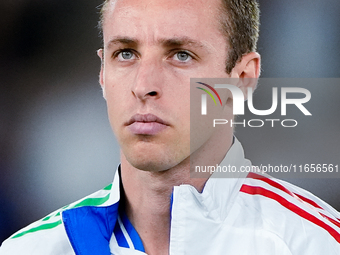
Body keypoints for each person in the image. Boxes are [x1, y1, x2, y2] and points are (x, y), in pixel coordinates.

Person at [1, 0, 340, 254]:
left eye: (180, 55)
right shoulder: (30, 250)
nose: (144, 84)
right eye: (126, 53)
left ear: (242, 80)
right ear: (102, 74)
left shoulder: (314, 243)